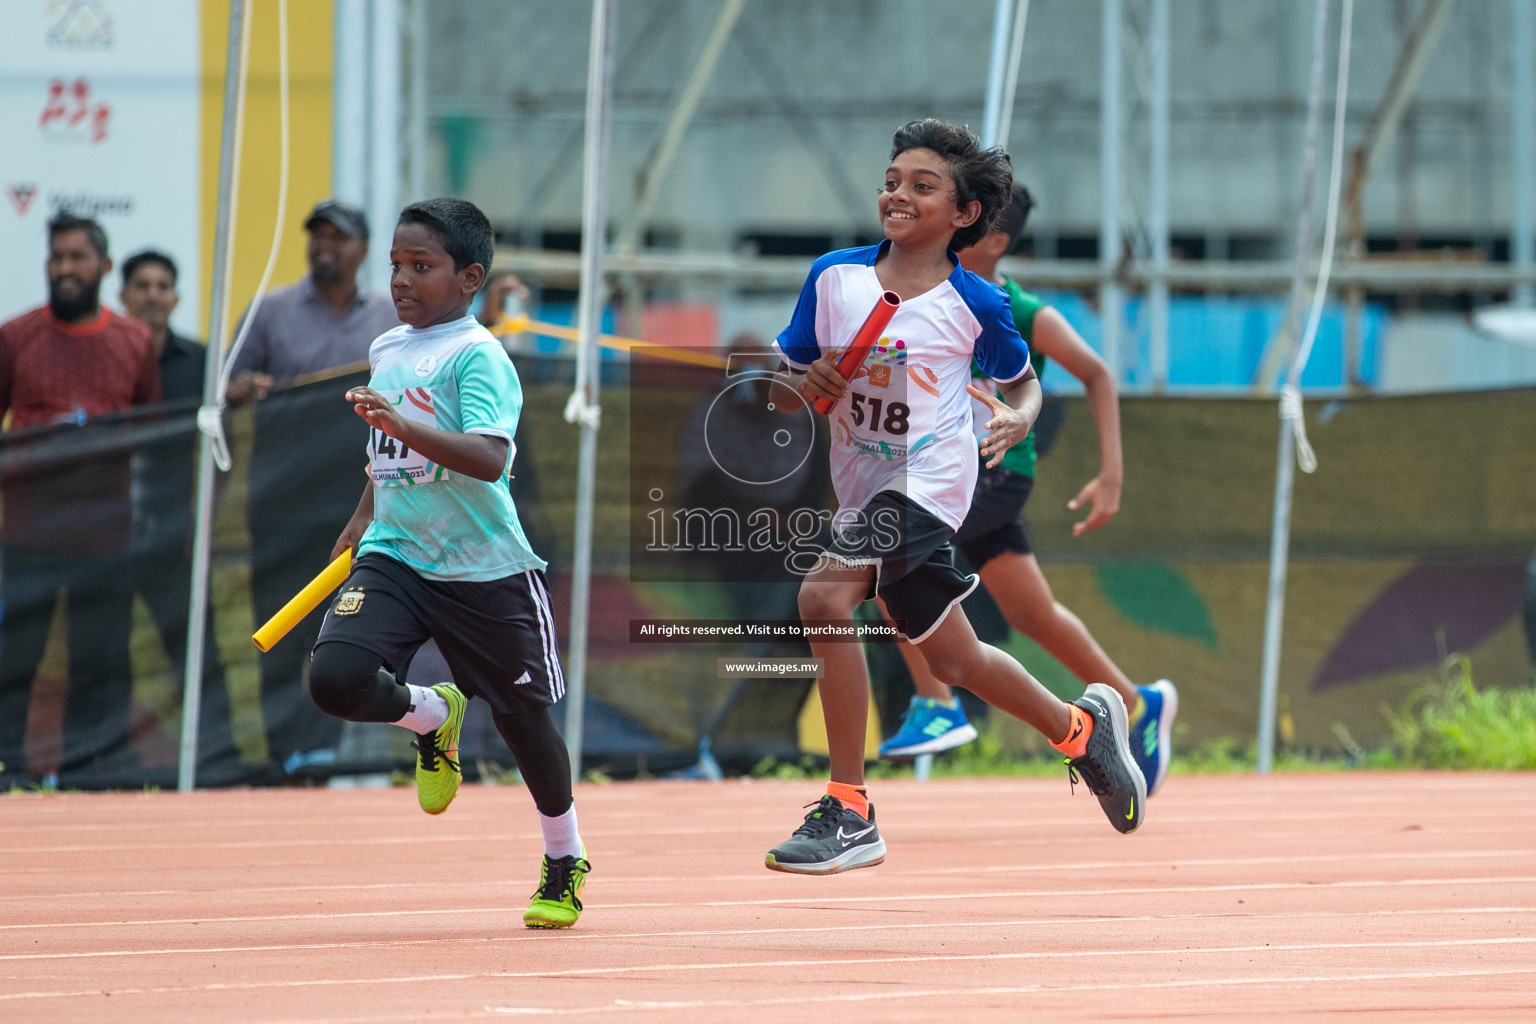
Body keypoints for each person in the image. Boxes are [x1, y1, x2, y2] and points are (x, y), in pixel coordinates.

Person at [763, 120, 1144, 875]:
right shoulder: (833, 277)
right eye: (893, 179)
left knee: (823, 599)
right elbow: (779, 393)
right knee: (958, 659)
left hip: (931, 486)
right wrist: (801, 386)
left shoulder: (977, 303)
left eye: (922, 185)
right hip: (863, 489)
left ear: (965, 215)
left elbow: (1024, 381)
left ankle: (850, 807)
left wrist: (1017, 416)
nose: (898, 193)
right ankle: (1079, 729)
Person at [308, 198, 590, 928]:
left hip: (482, 567)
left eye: (421, 266)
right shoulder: (388, 348)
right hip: (398, 555)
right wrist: (364, 516)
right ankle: (433, 714)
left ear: (469, 278)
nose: (402, 279)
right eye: (397, 265)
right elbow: (383, 453)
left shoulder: (478, 355)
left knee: (525, 720)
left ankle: (564, 857)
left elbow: (490, 458)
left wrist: (405, 423)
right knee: (335, 678)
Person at [876, 184, 1180, 797]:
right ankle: (1137, 703)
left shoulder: (1019, 308)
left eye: (966, 222)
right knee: (1031, 614)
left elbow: (1096, 373)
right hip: (953, 469)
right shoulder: (932, 295)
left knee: (889, 555)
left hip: (997, 472)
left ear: (995, 239)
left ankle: (936, 702)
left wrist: (1111, 473)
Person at [227, 199, 400, 778]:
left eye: (339, 237)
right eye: (316, 235)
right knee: (281, 625)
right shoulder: (270, 311)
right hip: (280, 503)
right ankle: (279, 759)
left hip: (363, 504)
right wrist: (245, 387)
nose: (325, 246)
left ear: (363, 249)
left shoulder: (389, 318)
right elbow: (223, 387)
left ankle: (326, 756)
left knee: (344, 629)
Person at [0, 213, 161, 785]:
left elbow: (150, 430)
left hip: (105, 535)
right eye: (56, 258)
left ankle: (86, 775)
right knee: (14, 662)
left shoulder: (134, 342)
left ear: (103, 266)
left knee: (101, 664)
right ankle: (11, 771)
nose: (65, 269)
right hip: (25, 535)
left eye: (77, 258)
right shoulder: (15, 336)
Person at [118, 250, 240, 780]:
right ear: (122, 295)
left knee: (197, 653)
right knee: (104, 653)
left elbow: (223, 450)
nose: (151, 294)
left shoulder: (201, 362)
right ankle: (109, 764)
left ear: (176, 297)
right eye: (141, 285)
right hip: (106, 533)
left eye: (162, 285)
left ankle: (221, 761)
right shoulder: (107, 352)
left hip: (175, 532)